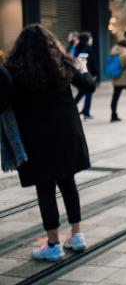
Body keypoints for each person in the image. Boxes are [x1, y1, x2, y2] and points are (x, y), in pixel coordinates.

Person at [1, 25, 96, 260]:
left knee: (45, 188)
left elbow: (3, 103)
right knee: (68, 182)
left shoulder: (14, 70)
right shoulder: (62, 64)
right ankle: (77, 235)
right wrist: (83, 69)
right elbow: (89, 86)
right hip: (66, 132)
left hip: (35, 138)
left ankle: (53, 245)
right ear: (52, 44)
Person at [73, 32, 97, 120]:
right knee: (88, 92)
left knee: (81, 92)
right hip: (87, 72)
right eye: (90, 39)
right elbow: (92, 62)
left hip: (79, 72)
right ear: (88, 40)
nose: (91, 41)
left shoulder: (77, 48)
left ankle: (79, 109)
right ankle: (86, 113)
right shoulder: (88, 49)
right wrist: (94, 73)